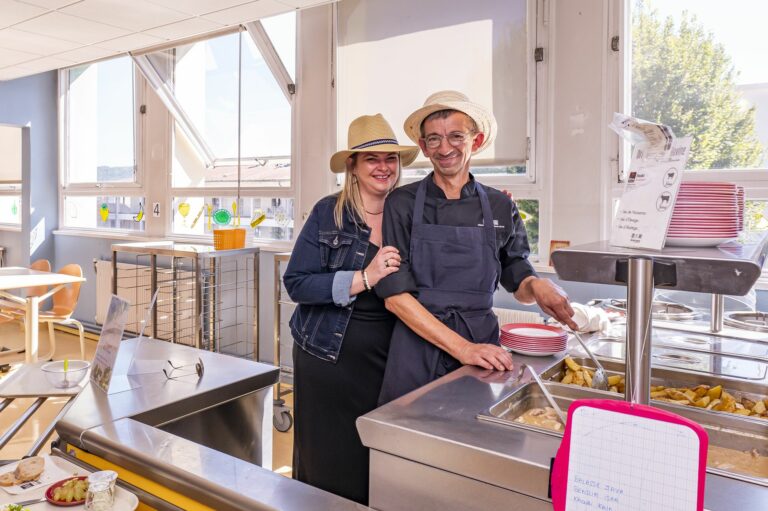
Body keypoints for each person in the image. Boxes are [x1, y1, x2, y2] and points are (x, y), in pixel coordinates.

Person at [375, 91, 578, 404]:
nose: (445, 148)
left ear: (477, 140)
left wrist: (537, 285)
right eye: (433, 139)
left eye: (456, 136)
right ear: (423, 147)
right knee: (407, 440)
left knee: (472, 435)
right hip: (417, 344)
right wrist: (463, 349)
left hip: (481, 343)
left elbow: (517, 280)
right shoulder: (401, 204)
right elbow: (395, 298)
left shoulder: (499, 206)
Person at [283, 114, 418, 504]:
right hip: (327, 359)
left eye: (390, 159)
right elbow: (296, 283)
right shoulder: (330, 213)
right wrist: (363, 277)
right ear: (353, 168)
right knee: (328, 458)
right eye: (371, 159)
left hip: (387, 360)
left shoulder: (407, 215)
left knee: (374, 455)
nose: (383, 167)